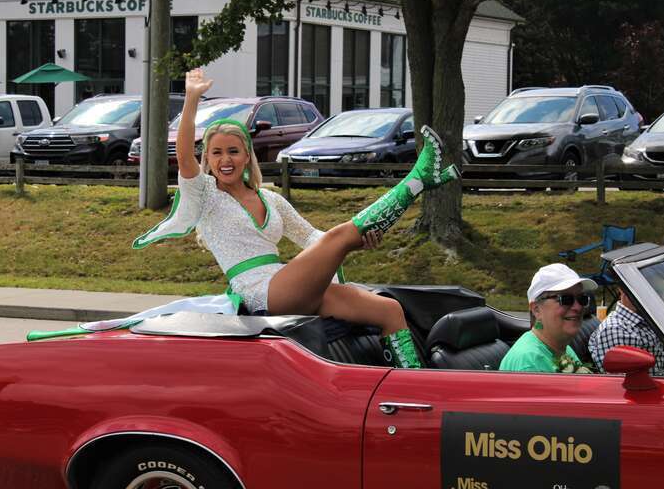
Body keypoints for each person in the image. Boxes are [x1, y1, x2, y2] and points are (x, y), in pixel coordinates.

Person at [133, 68, 459, 369]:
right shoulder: (205, 196)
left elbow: (314, 239)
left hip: (291, 283)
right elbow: (184, 155)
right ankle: (418, 181)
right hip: (261, 294)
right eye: (216, 153)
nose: (225, 159)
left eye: (233, 151)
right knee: (338, 239)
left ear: (247, 156)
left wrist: (355, 243)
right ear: (207, 158)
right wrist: (191, 98)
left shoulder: (271, 199)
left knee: (389, 310)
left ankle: (412, 385)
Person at [499, 264, 597, 373]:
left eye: (582, 298)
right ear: (536, 309)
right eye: (566, 299)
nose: (578, 307)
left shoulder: (561, 347)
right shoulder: (530, 362)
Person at [589, 289, 664, 377]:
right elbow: (626, 385)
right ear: (622, 290)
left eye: (658, 289)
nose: (656, 295)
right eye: (647, 288)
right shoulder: (616, 330)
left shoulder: (648, 317)